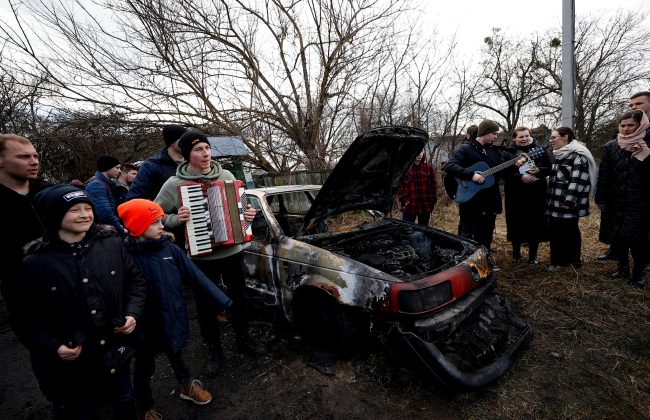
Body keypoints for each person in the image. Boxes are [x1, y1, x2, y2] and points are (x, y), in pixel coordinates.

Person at [15, 184, 146, 419]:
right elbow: (24, 317)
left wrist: (132, 314)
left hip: (116, 349)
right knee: (84, 411)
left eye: (88, 208)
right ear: (54, 215)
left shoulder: (112, 244)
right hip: (76, 363)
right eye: (75, 209)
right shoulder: (35, 264)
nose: (85, 214)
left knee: (125, 400)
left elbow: (135, 282)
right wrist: (54, 346)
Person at [154, 131, 265, 377]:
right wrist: (175, 218)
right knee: (205, 305)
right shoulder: (175, 184)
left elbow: (244, 204)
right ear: (186, 155)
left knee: (239, 297)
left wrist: (247, 218)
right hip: (201, 256)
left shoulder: (226, 175)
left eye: (207, 148)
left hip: (233, 249)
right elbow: (155, 214)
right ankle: (214, 350)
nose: (205, 154)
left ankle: (243, 338)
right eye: (198, 150)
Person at [117, 199, 233, 419]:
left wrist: (223, 302)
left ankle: (186, 384)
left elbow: (197, 278)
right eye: (154, 223)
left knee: (176, 352)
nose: (162, 226)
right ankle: (144, 406)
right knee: (144, 366)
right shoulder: (124, 256)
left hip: (172, 315)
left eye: (162, 221)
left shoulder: (170, 250)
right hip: (143, 323)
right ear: (137, 226)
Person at [444, 119, 521, 250]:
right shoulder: (466, 149)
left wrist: (516, 167)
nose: (496, 137)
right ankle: (466, 263)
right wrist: (471, 175)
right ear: (485, 132)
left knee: (486, 235)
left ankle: (484, 262)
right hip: (471, 200)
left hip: (490, 201)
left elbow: (502, 173)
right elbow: (450, 165)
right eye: (494, 133)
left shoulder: (494, 151)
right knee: (467, 235)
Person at [595, 110, 650, 287]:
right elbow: (604, 175)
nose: (626, 129)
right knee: (618, 237)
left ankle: (639, 273)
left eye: (630, 125)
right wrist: (601, 198)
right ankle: (622, 267)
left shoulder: (647, 144)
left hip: (639, 201)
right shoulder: (611, 146)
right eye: (623, 125)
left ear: (639, 125)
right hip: (615, 200)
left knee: (637, 239)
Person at [0, 134, 48, 327]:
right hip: (25, 294)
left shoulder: (49, 193)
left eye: (35, 156)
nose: (34, 162)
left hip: (70, 286)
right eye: (23, 157)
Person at [545, 127, 597, 272]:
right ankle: (559, 261)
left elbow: (578, 181)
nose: (551, 140)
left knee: (567, 233)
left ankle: (566, 262)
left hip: (566, 204)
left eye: (554, 137)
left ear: (565, 137)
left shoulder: (577, 156)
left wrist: (569, 202)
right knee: (557, 232)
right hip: (554, 202)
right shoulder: (560, 155)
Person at [503, 127, 551, 264]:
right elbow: (505, 173)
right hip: (515, 194)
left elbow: (549, 167)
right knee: (515, 222)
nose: (524, 139)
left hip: (536, 193)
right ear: (514, 139)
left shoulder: (540, 150)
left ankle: (533, 256)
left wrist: (538, 170)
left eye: (526, 136)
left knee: (535, 222)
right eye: (520, 137)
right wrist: (520, 177)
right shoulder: (508, 153)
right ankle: (516, 254)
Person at [126, 124, 186, 201]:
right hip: (162, 211)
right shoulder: (150, 166)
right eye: (183, 139)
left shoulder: (193, 162)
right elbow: (134, 198)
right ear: (171, 141)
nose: (187, 142)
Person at [85, 155, 127, 234]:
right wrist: (121, 229)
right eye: (117, 168)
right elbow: (105, 215)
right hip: (106, 231)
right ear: (107, 167)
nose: (120, 171)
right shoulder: (96, 185)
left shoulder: (104, 183)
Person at [397, 150, 437, 226]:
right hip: (409, 207)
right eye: (416, 150)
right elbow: (398, 186)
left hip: (425, 206)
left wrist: (432, 199)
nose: (418, 154)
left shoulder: (428, 167)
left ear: (424, 152)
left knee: (423, 231)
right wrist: (405, 200)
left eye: (421, 151)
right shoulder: (405, 168)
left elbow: (433, 185)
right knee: (407, 230)